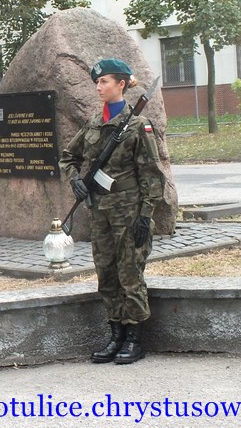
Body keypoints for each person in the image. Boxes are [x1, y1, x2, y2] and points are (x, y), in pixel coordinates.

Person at [59, 59, 165, 365]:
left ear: (121, 84)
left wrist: (145, 215)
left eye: (104, 81)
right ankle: (116, 335)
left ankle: (134, 339)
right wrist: (76, 181)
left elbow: (151, 175)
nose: (98, 86)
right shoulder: (94, 123)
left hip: (129, 211)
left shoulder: (138, 126)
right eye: (97, 81)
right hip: (101, 212)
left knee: (130, 273)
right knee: (106, 273)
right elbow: (68, 157)